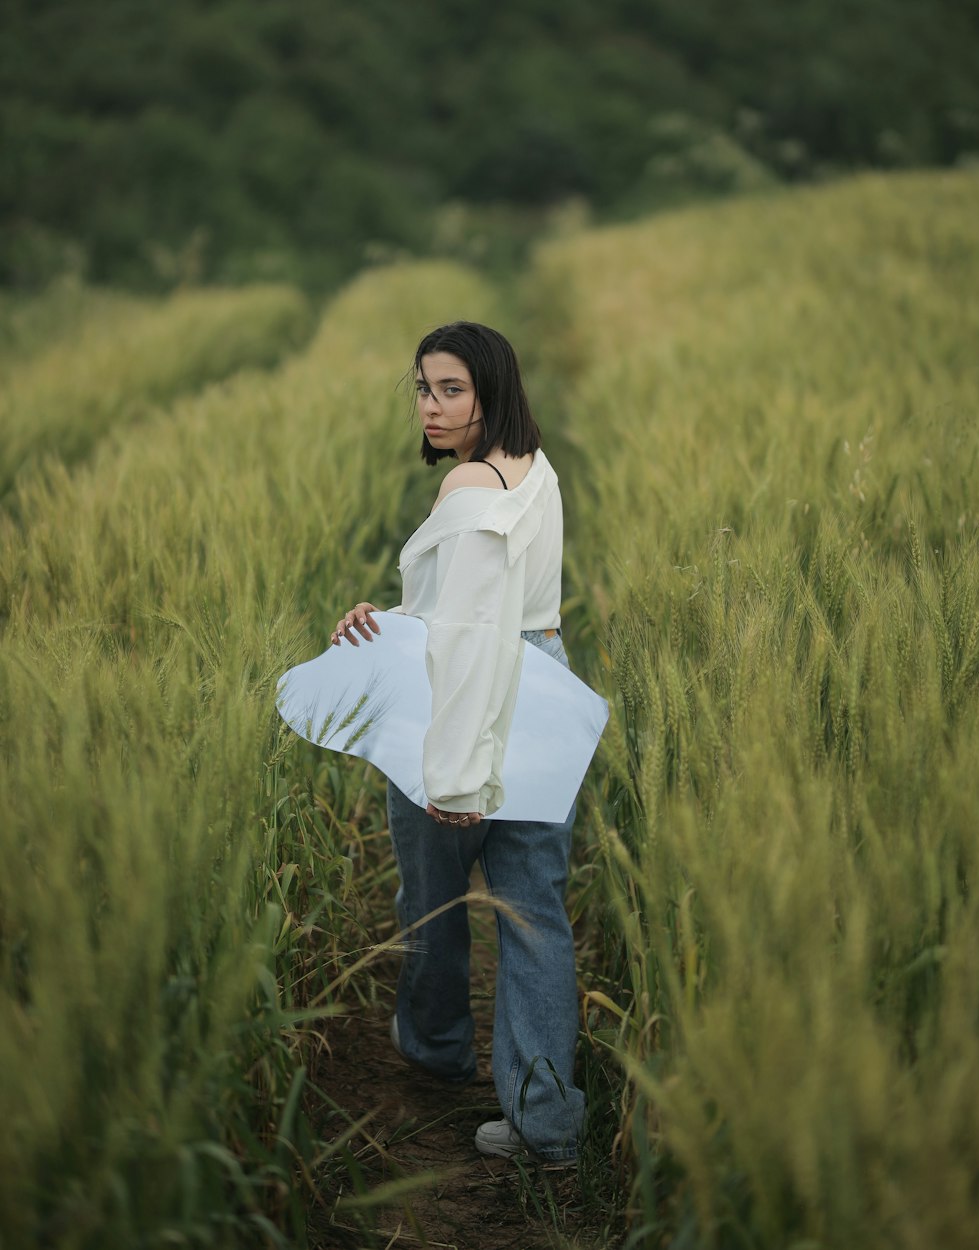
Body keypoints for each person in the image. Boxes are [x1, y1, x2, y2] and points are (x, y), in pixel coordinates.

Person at [330, 321, 584, 1165]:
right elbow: (488, 607)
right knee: (536, 914)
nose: (430, 407)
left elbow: (470, 635)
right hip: (543, 684)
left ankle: (436, 1050)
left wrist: (456, 773)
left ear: (489, 393)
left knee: (432, 899)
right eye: (422, 388)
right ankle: (546, 1120)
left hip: (469, 697)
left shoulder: (469, 488)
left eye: (451, 391)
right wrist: (392, 616)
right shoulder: (534, 467)